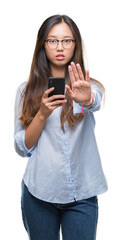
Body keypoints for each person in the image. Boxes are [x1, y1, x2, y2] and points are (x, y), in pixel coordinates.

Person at [14, 14, 108, 240]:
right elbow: (22, 147)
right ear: (42, 45)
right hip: (38, 194)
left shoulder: (88, 86)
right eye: (52, 40)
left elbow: (94, 100)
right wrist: (43, 114)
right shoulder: (25, 91)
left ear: (75, 45)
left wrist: (85, 99)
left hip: (82, 195)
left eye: (67, 40)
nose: (60, 47)